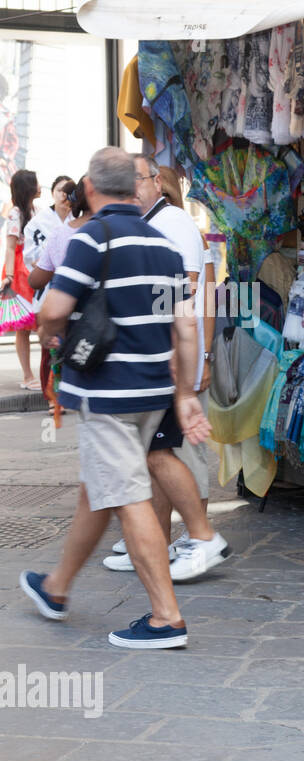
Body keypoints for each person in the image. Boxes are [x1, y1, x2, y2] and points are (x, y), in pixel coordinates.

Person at [20, 146, 208, 649]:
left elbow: (53, 306)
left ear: (91, 189)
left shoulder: (90, 239)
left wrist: (51, 331)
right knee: (99, 488)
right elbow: (185, 327)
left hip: (107, 394)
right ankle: (56, 587)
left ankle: (166, 618)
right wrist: (186, 393)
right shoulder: (164, 246)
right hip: (153, 392)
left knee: (126, 496)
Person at [98, 155, 229, 581]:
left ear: (156, 182)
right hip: (161, 362)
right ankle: (157, 538)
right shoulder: (151, 222)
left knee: (181, 454)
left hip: (177, 362)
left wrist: (200, 358)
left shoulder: (173, 224)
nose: (131, 188)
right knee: (156, 454)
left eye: (137, 179)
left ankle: (197, 540)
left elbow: (192, 297)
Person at [2, 169, 41, 388]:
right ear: (28, 187)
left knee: (34, 322)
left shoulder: (35, 210)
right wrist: (8, 275)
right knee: (24, 326)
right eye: (35, 182)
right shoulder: (16, 212)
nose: (39, 186)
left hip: (32, 267)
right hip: (19, 270)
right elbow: (9, 246)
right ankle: (27, 376)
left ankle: (39, 375)